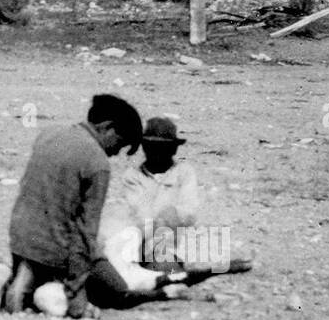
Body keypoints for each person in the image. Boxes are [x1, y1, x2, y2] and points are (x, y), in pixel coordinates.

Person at [0, 92, 171, 319]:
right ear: (107, 128)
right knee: (115, 291)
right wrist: (76, 297)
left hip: (21, 240)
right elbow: (85, 234)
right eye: (119, 144)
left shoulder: (49, 133)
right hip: (55, 250)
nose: (115, 153)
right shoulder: (97, 163)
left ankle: (16, 278)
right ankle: (34, 290)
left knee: (47, 264)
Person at [94, 115, 254, 306]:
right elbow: (138, 214)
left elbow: (189, 211)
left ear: (173, 148)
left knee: (167, 264)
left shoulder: (184, 173)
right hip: (147, 241)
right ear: (144, 147)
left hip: (174, 241)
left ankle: (213, 269)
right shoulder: (133, 176)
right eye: (150, 146)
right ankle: (208, 272)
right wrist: (161, 218)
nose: (155, 152)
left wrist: (166, 216)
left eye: (162, 147)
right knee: (147, 266)